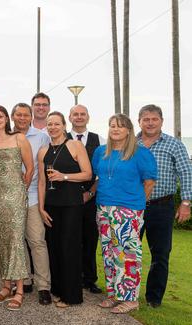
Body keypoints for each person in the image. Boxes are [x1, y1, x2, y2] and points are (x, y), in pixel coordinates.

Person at [93, 113, 157, 314]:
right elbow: (99, 177)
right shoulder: (101, 151)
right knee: (109, 252)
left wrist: (137, 206)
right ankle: (114, 294)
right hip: (103, 207)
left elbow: (149, 182)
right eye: (112, 125)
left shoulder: (140, 153)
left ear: (128, 130)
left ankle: (130, 298)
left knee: (128, 254)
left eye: (120, 126)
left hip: (128, 210)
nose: (115, 129)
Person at [137, 104, 192, 308]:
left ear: (161, 120)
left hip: (162, 206)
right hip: (133, 206)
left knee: (160, 253)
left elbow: (186, 173)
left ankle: (153, 298)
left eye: (154, 119)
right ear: (139, 121)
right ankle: (126, 292)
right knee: (128, 250)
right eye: (146, 119)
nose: (150, 123)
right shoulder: (130, 143)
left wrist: (185, 203)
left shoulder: (174, 144)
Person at [37, 111, 92, 308]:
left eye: (56, 124)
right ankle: (58, 291)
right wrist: (41, 208)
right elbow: (42, 182)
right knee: (54, 248)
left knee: (69, 248)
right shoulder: (43, 151)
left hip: (71, 205)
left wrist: (64, 177)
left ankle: (72, 296)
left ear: (63, 125)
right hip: (51, 205)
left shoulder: (75, 146)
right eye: (49, 124)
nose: (52, 127)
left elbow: (87, 174)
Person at [0, 105, 33, 311]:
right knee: (0, 240)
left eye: (0, 116)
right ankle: (5, 285)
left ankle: (19, 289)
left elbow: (30, 168)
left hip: (15, 196)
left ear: (6, 119)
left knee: (15, 240)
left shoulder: (19, 138)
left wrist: (21, 190)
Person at [11, 103, 52, 304]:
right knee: (17, 241)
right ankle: (24, 279)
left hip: (34, 194)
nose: (22, 118)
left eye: (25, 115)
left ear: (30, 116)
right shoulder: (7, 136)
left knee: (37, 241)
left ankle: (43, 285)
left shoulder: (42, 137)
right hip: (10, 197)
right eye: (18, 114)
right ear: (12, 116)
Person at [67, 104, 105, 294]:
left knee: (90, 239)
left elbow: (103, 172)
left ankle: (90, 279)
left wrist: (90, 193)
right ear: (70, 117)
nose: (79, 117)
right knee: (69, 238)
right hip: (66, 197)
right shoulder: (61, 138)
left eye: (82, 114)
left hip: (91, 197)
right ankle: (70, 277)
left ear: (88, 117)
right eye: (76, 114)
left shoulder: (100, 140)